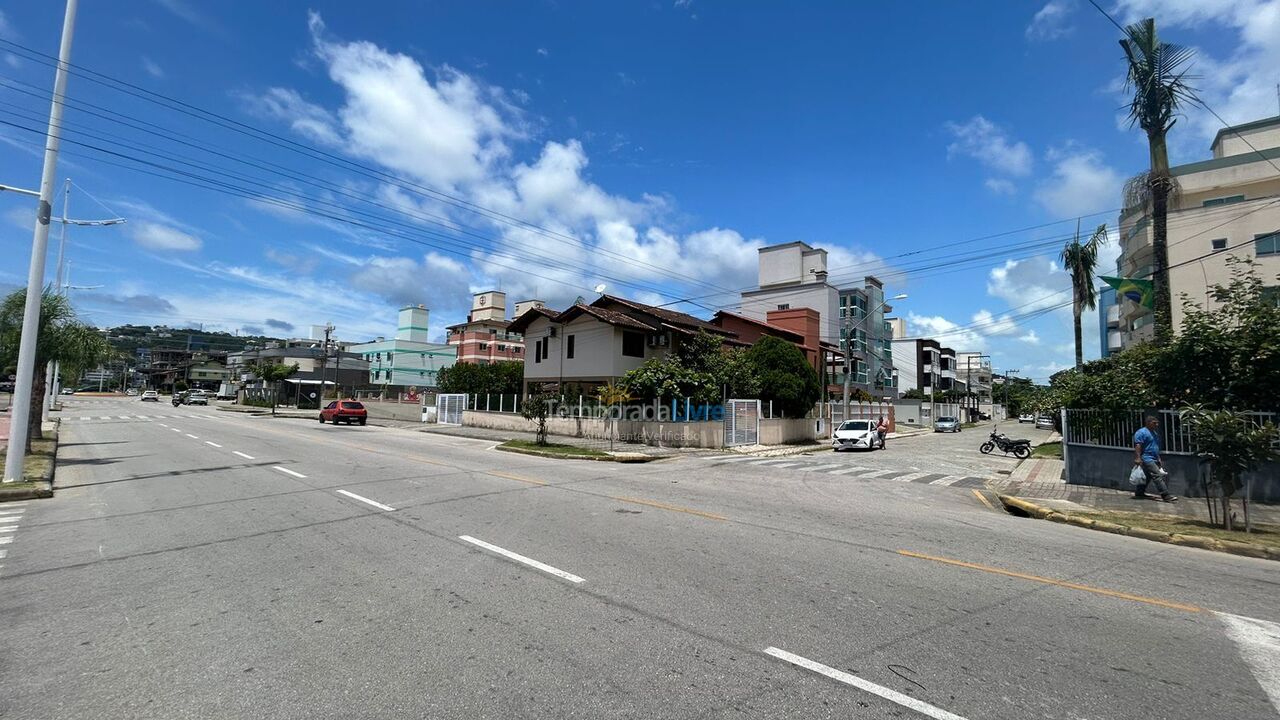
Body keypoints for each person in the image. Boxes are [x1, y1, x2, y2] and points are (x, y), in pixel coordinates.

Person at [1133, 415, 1177, 502]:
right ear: (1148, 423)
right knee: (1157, 475)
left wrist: (1158, 458)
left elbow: (1155, 446)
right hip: (1146, 457)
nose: (1156, 425)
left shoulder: (1154, 433)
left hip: (1153, 457)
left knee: (1147, 475)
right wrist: (1137, 458)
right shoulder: (1141, 432)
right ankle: (1166, 495)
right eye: (1154, 423)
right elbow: (1138, 445)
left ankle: (1139, 492)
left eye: (1157, 423)